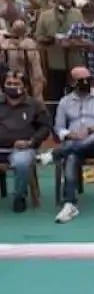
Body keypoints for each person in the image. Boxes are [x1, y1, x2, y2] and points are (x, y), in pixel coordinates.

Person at [50, 66, 94, 224]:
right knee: (72, 156)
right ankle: (70, 204)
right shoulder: (64, 101)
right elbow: (59, 128)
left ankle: (55, 154)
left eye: (89, 78)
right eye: (81, 80)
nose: (86, 82)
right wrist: (70, 134)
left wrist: (91, 129)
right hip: (73, 141)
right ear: (72, 82)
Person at [0, 70, 51, 212]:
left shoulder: (35, 105)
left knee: (21, 163)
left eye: (16, 84)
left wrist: (32, 142)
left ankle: (19, 197)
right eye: (8, 83)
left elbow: (45, 128)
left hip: (23, 148)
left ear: (25, 87)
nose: (12, 86)